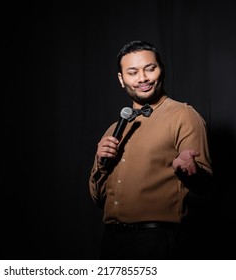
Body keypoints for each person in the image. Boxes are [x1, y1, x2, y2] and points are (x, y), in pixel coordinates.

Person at [89, 40, 213, 259]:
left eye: (150, 68)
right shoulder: (113, 129)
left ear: (161, 70)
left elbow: (205, 186)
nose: (142, 78)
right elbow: (98, 198)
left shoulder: (183, 115)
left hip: (158, 241)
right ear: (121, 79)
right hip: (112, 242)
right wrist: (101, 161)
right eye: (132, 72)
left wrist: (188, 170)